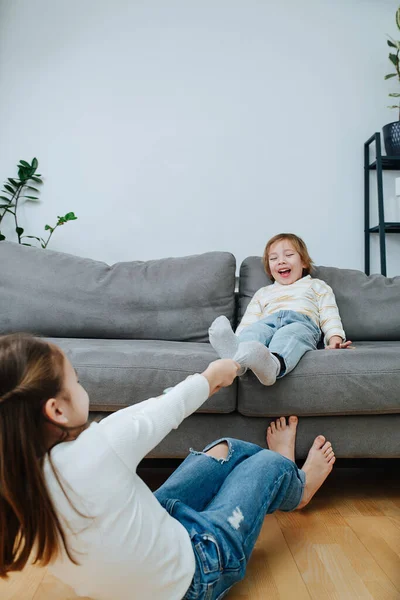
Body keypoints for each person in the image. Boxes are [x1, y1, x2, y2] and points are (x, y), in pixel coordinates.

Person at [0, 333, 335, 600]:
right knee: (266, 462)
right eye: (76, 381)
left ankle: (280, 478)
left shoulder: (12, 480)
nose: (81, 385)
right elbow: (168, 406)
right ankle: (297, 485)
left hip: (147, 549)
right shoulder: (99, 447)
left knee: (223, 451)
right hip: (195, 575)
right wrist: (214, 375)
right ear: (57, 410)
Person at [209, 232, 353, 386]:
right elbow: (249, 322)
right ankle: (236, 360)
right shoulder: (263, 293)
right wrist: (236, 339)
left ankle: (272, 366)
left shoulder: (317, 285)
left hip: (301, 322)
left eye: (289, 255)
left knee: (289, 335)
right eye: (273, 258)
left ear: (303, 262)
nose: (281, 261)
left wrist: (335, 339)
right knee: (254, 332)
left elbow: (329, 315)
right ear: (269, 269)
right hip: (267, 322)